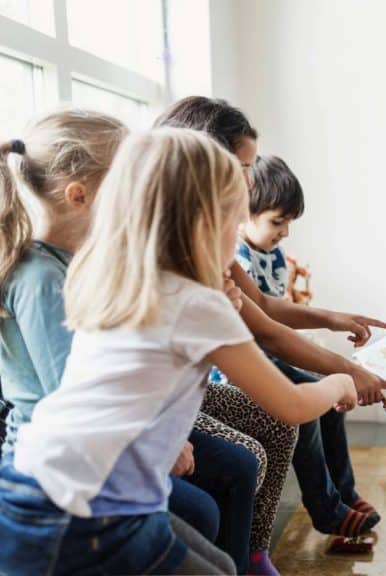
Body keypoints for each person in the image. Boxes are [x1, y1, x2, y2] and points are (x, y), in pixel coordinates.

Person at [0, 110, 254, 558]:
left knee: (234, 469)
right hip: (65, 466)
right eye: (128, 185)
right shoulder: (40, 277)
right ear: (79, 195)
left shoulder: (87, 259)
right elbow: (74, 392)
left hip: (112, 438)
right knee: (201, 511)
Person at [155, 97, 386, 543]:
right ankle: (320, 513)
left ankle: (264, 548)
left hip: (175, 407)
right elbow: (267, 334)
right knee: (284, 423)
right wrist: (346, 375)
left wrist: (332, 320)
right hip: (160, 417)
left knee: (261, 445)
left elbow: (264, 311)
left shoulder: (207, 243)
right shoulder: (192, 253)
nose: (250, 181)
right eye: (243, 167)